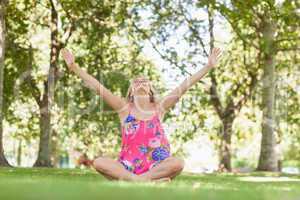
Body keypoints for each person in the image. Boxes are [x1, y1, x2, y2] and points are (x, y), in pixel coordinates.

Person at [61, 47, 222, 182]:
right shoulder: (124, 108)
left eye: (144, 81)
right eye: (136, 82)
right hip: (127, 166)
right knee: (99, 162)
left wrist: (208, 66)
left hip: (157, 165)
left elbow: (184, 86)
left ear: (151, 89)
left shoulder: (160, 108)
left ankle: (138, 180)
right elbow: (98, 88)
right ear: (131, 91)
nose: (140, 83)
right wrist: (74, 67)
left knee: (178, 163)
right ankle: (143, 181)